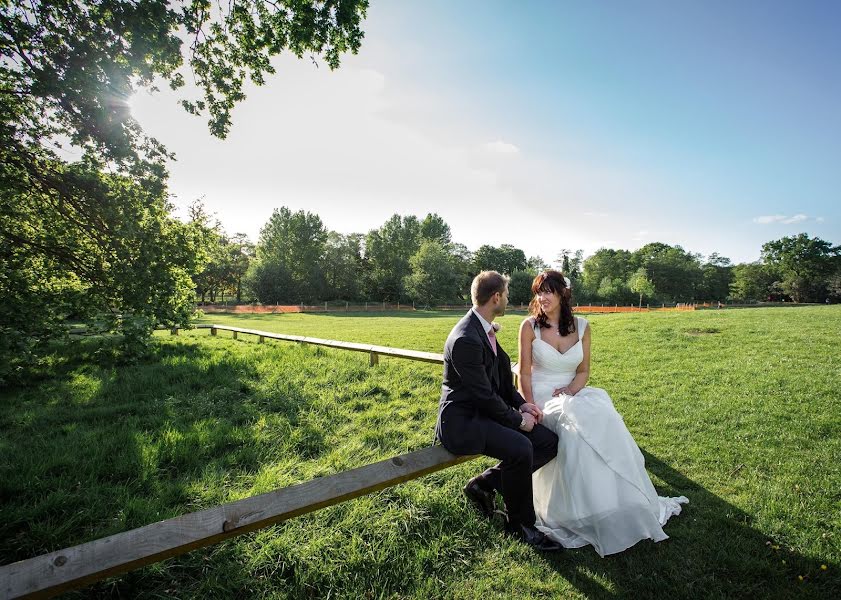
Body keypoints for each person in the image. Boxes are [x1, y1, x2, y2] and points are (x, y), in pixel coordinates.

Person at [518, 270, 688, 557]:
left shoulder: (582, 327)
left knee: (602, 417)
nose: (542, 297)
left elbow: (583, 371)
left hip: (572, 391)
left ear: (563, 294)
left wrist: (571, 391)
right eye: (539, 292)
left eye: (548, 291)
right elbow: (523, 372)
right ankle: (573, 511)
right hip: (541, 398)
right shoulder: (529, 326)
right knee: (574, 429)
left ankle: (611, 503)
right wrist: (530, 407)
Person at [436, 271, 562, 551]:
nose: (507, 299)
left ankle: (485, 483)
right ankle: (521, 525)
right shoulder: (466, 338)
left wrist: (521, 404)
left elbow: (502, 383)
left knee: (547, 442)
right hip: (463, 422)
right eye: (505, 295)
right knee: (521, 447)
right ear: (496, 298)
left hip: (485, 412)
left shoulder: (484, 328)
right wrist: (519, 421)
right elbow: (483, 395)